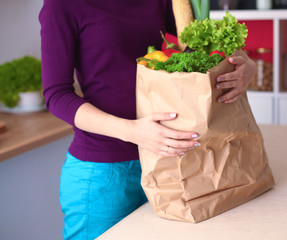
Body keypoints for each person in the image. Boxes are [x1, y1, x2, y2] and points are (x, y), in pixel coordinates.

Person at [39, 0, 256, 239]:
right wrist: (132, 131)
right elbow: (56, 95)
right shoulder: (62, 5)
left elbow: (202, 44)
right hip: (104, 173)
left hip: (168, 163)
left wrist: (246, 66)